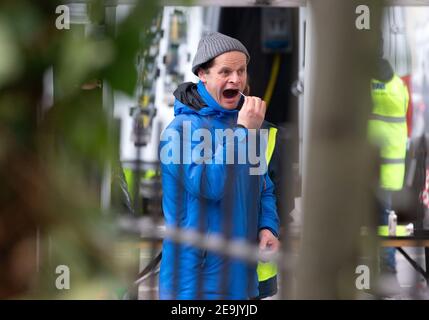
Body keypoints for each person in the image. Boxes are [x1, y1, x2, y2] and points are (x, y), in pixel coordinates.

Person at [158, 32, 280, 299]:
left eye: (241, 70)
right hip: (192, 284)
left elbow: (264, 187)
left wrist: (268, 227)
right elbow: (209, 186)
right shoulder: (180, 131)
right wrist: (243, 132)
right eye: (225, 71)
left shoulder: (246, 126)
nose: (236, 79)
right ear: (203, 74)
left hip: (240, 279)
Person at [368, 57, 409, 277]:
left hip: (368, 169)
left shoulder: (365, 87)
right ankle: (387, 269)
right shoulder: (398, 87)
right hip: (392, 170)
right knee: (385, 222)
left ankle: (375, 271)